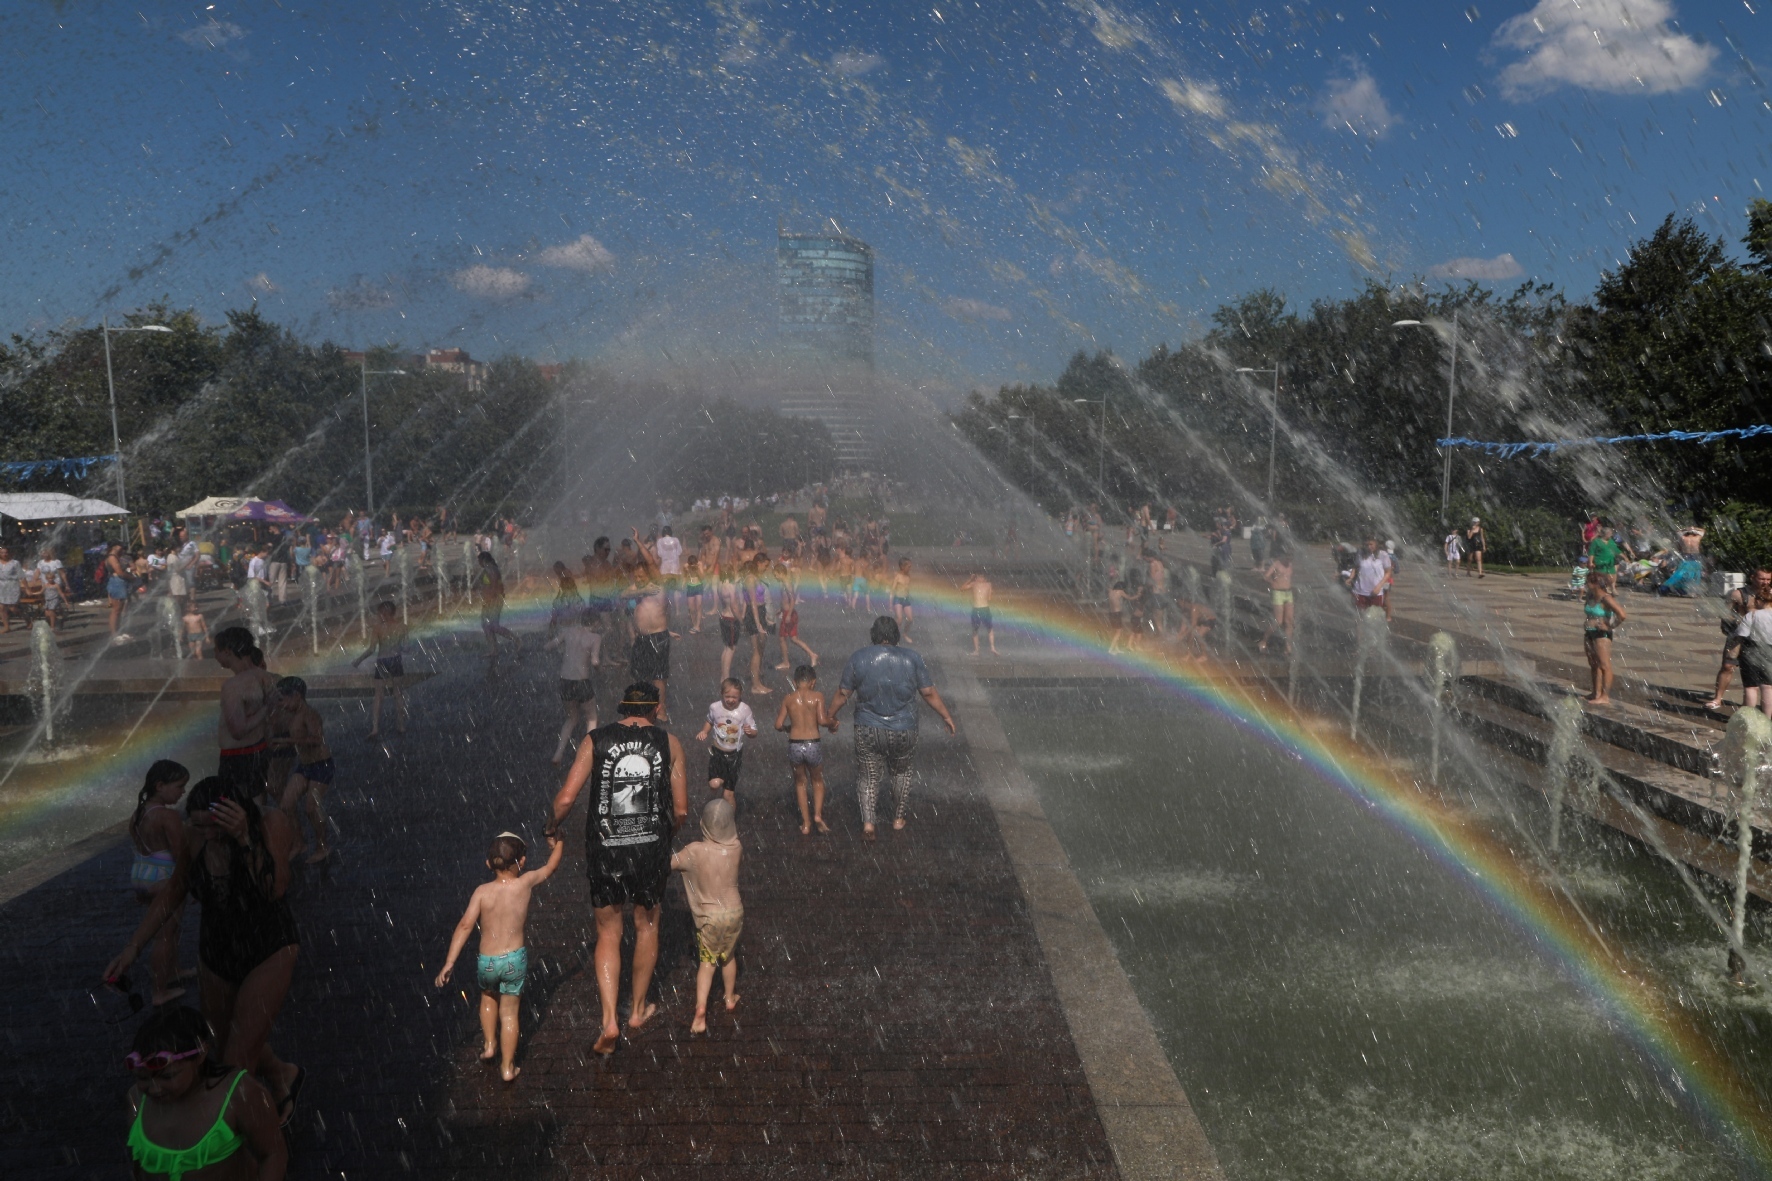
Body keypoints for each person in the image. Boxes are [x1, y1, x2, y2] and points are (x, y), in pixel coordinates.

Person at [107, 776, 304, 1124]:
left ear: (236, 812)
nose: (204, 833)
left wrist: (244, 837)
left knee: (235, 1059)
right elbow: (175, 889)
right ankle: (281, 1074)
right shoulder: (195, 834)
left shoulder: (271, 822)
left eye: (214, 826)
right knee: (219, 1041)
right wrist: (132, 947)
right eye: (197, 824)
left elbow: (276, 888)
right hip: (216, 950)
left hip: (269, 948)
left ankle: (234, 1146)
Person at [546, 683, 688, 1054]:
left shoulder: (595, 740)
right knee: (647, 926)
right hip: (650, 849)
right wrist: (663, 837)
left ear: (622, 708)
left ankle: (609, 1019)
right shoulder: (669, 743)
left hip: (605, 848)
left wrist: (551, 826)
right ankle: (638, 1010)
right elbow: (683, 810)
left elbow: (565, 799)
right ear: (654, 710)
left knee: (608, 933)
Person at [434, 830, 565, 1082]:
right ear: (522, 862)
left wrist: (449, 962)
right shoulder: (524, 883)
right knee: (509, 1013)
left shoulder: (482, 892)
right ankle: (507, 1067)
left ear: (488, 864)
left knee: (487, 998)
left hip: (488, 962)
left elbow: (464, 925)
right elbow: (551, 867)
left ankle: (490, 1044)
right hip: (514, 960)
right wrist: (559, 841)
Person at [828, 616, 956, 841]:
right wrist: (946, 716)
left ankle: (869, 824)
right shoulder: (912, 658)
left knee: (868, 777)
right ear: (895, 635)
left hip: (868, 727)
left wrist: (830, 716)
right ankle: (897, 819)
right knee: (901, 772)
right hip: (904, 728)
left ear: (873, 634)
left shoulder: (859, 657)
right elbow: (928, 692)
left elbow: (843, 694)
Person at [123, 1007, 287, 1181]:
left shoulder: (238, 1093)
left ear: (201, 1054)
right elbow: (138, 1165)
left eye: (167, 1076)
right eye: (143, 1078)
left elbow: (274, 1154)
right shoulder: (136, 1099)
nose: (154, 1089)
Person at [670, 799, 743, 1035]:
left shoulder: (694, 851)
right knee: (729, 955)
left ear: (703, 826)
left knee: (707, 963)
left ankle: (700, 1011)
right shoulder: (736, 847)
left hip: (711, 918)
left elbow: (669, 863)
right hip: (735, 913)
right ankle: (730, 997)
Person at [129, 760, 193, 1006]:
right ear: (160, 786)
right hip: (166, 876)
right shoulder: (168, 816)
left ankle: (173, 970)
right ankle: (159, 991)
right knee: (165, 934)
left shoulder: (138, 813)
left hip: (143, 873)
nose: (183, 792)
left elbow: (140, 845)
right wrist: (191, 882)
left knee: (170, 928)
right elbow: (181, 853)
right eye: (179, 786)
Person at [271, 677, 334, 864]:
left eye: (283, 700)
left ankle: (323, 846)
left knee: (311, 808)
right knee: (286, 805)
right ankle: (299, 842)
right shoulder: (292, 715)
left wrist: (287, 742)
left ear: (297, 696)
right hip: (305, 766)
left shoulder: (310, 714)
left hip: (321, 765)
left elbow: (317, 740)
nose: (281, 704)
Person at [213, 627, 276, 802]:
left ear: (227, 652)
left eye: (216, 651)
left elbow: (238, 731)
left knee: (235, 812)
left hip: (237, 759)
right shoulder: (270, 678)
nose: (215, 657)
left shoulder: (233, 686)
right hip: (260, 752)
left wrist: (264, 709)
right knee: (259, 807)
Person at [776, 665, 837, 834]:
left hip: (795, 744)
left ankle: (806, 824)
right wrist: (834, 723)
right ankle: (817, 814)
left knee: (800, 783)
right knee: (817, 780)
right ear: (813, 682)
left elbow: (778, 724)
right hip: (813, 744)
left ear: (794, 682)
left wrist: (788, 728)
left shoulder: (788, 698)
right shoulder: (817, 696)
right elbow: (823, 720)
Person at [543, 608, 602, 765]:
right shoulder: (595, 637)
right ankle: (589, 753)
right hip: (582, 681)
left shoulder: (568, 632)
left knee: (571, 718)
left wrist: (555, 645)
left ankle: (558, 753)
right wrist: (598, 668)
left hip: (565, 681)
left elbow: (549, 646)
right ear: (596, 622)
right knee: (591, 717)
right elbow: (595, 661)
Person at [1707, 569, 1772, 711]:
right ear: (1753, 577)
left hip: (1762, 640)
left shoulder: (1770, 594)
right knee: (1728, 666)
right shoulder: (1738, 594)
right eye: (1762, 579)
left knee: (1760, 680)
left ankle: (1747, 706)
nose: (1765, 582)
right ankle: (1718, 698)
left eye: (1768, 579)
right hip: (1739, 636)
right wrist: (1737, 622)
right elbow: (1725, 614)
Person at [628, 530, 673, 721]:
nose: (637, 579)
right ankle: (641, 707)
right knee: (640, 674)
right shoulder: (637, 589)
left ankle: (661, 710)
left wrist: (639, 542)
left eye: (641, 576)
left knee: (659, 676)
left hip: (657, 637)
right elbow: (622, 594)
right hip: (642, 638)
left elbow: (651, 563)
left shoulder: (658, 586)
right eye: (635, 577)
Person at [351, 601, 408, 739]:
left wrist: (358, 660)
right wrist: (396, 648)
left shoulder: (377, 628)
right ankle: (401, 725)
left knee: (378, 695)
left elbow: (371, 650)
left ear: (384, 613)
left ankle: (375, 728)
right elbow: (406, 647)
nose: (378, 616)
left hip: (382, 661)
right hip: (396, 660)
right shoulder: (403, 627)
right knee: (398, 693)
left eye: (379, 614)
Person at [696, 678, 757, 804]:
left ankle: (730, 822)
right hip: (717, 752)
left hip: (734, 755)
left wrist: (751, 732)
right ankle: (722, 779)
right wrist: (704, 731)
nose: (730, 700)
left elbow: (754, 731)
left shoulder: (744, 709)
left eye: (734, 697)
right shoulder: (715, 707)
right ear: (721, 694)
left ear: (740, 695)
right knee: (714, 784)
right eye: (727, 696)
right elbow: (710, 721)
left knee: (728, 795)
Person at [1582, 576, 1628, 705]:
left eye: (1587, 582)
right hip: (1589, 633)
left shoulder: (1606, 599)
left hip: (1602, 635)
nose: (1585, 584)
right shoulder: (1591, 596)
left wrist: (1609, 626)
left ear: (1595, 584)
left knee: (1604, 665)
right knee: (1593, 665)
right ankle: (1595, 693)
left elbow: (1622, 614)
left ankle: (1605, 696)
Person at [475, 551, 519, 659]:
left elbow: (495, 586)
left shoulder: (491, 569)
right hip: (489, 600)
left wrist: (490, 599)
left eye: (479, 560)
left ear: (484, 560)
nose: (478, 563)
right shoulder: (489, 569)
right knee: (486, 625)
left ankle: (516, 639)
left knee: (493, 626)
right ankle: (493, 650)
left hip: (494, 600)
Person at [774, 578, 818, 670]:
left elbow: (792, 600)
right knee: (794, 639)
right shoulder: (783, 583)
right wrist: (781, 610)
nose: (775, 577)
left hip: (789, 614)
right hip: (787, 612)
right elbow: (785, 600)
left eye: (775, 574)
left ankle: (786, 662)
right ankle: (812, 654)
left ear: (780, 573)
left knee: (782, 639)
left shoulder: (787, 583)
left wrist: (788, 614)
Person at [1259, 550, 1294, 653]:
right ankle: (1264, 640)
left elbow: (1288, 578)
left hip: (1288, 593)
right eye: (1288, 556)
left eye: (1291, 557)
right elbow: (1266, 576)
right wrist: (1272, 582)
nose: (1289, 559)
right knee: (1278, 621)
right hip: (1277, 593)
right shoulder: (1277, 564)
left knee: (1289, 622)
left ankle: (1287, 645)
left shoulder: (1290, 564)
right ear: (1284, 555)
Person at [1350, 538, 1393, 621]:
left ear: (1376, 545)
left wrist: (1379, 586)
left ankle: (1377, 631)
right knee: (1359, 619)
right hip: (1359, 591)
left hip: (1375, 592)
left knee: (1375, 618)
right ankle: (1359, 634)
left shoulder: (1382, 555)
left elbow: (1388, 572)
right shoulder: (1360, 554)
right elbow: (1356, 567)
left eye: (1371, 544)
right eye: (1366, 545)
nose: (1368, 547)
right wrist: (1351, 577)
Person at [962, 572, 997, 655]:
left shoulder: (974, 584)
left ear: (976, 578)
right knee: (990, 629)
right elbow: (989, 598)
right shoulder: (989, 584)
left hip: (976, 609)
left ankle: (976, 651)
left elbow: (962, 588)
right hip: (985, 608)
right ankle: (992, 647)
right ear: (984, 578)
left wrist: (970, 579)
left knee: (975, 630)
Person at [34, 546, 68, 631]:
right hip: (45, 585)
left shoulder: (56, 562)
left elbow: (62, 573)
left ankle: (53, 624)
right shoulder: (40, 563)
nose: (44, 554)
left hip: (56, 585)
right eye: (43, 553)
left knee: (52, 607)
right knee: (48, 610)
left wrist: (66, 584)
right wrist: (35, 579)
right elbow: (37, 572)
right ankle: (58, 619)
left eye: (46, 552)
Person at [105, 542, 132, 639]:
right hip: (116, 583)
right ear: (115, 547)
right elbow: (119, 572)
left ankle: (119, 631)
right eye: (121, 547)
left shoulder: (116, 557)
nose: (123, 550)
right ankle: (114, 634)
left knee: (120, 609)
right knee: (116, 610)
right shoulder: (112, 557)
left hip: (119, 583)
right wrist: (131, 578)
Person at [889, 557, 915, 644]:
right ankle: (892, 634)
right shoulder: (897, 576)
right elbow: (892, 590)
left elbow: (907, 588)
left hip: (906, 599)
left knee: (910, 619)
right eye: (908, 566)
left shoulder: (908, 576)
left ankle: (904, 634)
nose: (910, 568)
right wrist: (890, 604)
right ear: (902, 567)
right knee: (899, 619)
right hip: (898, 599)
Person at [0, 545, 21, 633]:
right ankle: (6, 626)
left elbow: (21, 576)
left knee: (12, 608)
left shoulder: (15, 563)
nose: (4, 554)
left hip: (12, 586)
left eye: (6, 552)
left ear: (9, 553)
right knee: (1, 607)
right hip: (2, 586)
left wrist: (27, 588)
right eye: (2, 553)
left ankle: (27, 619)